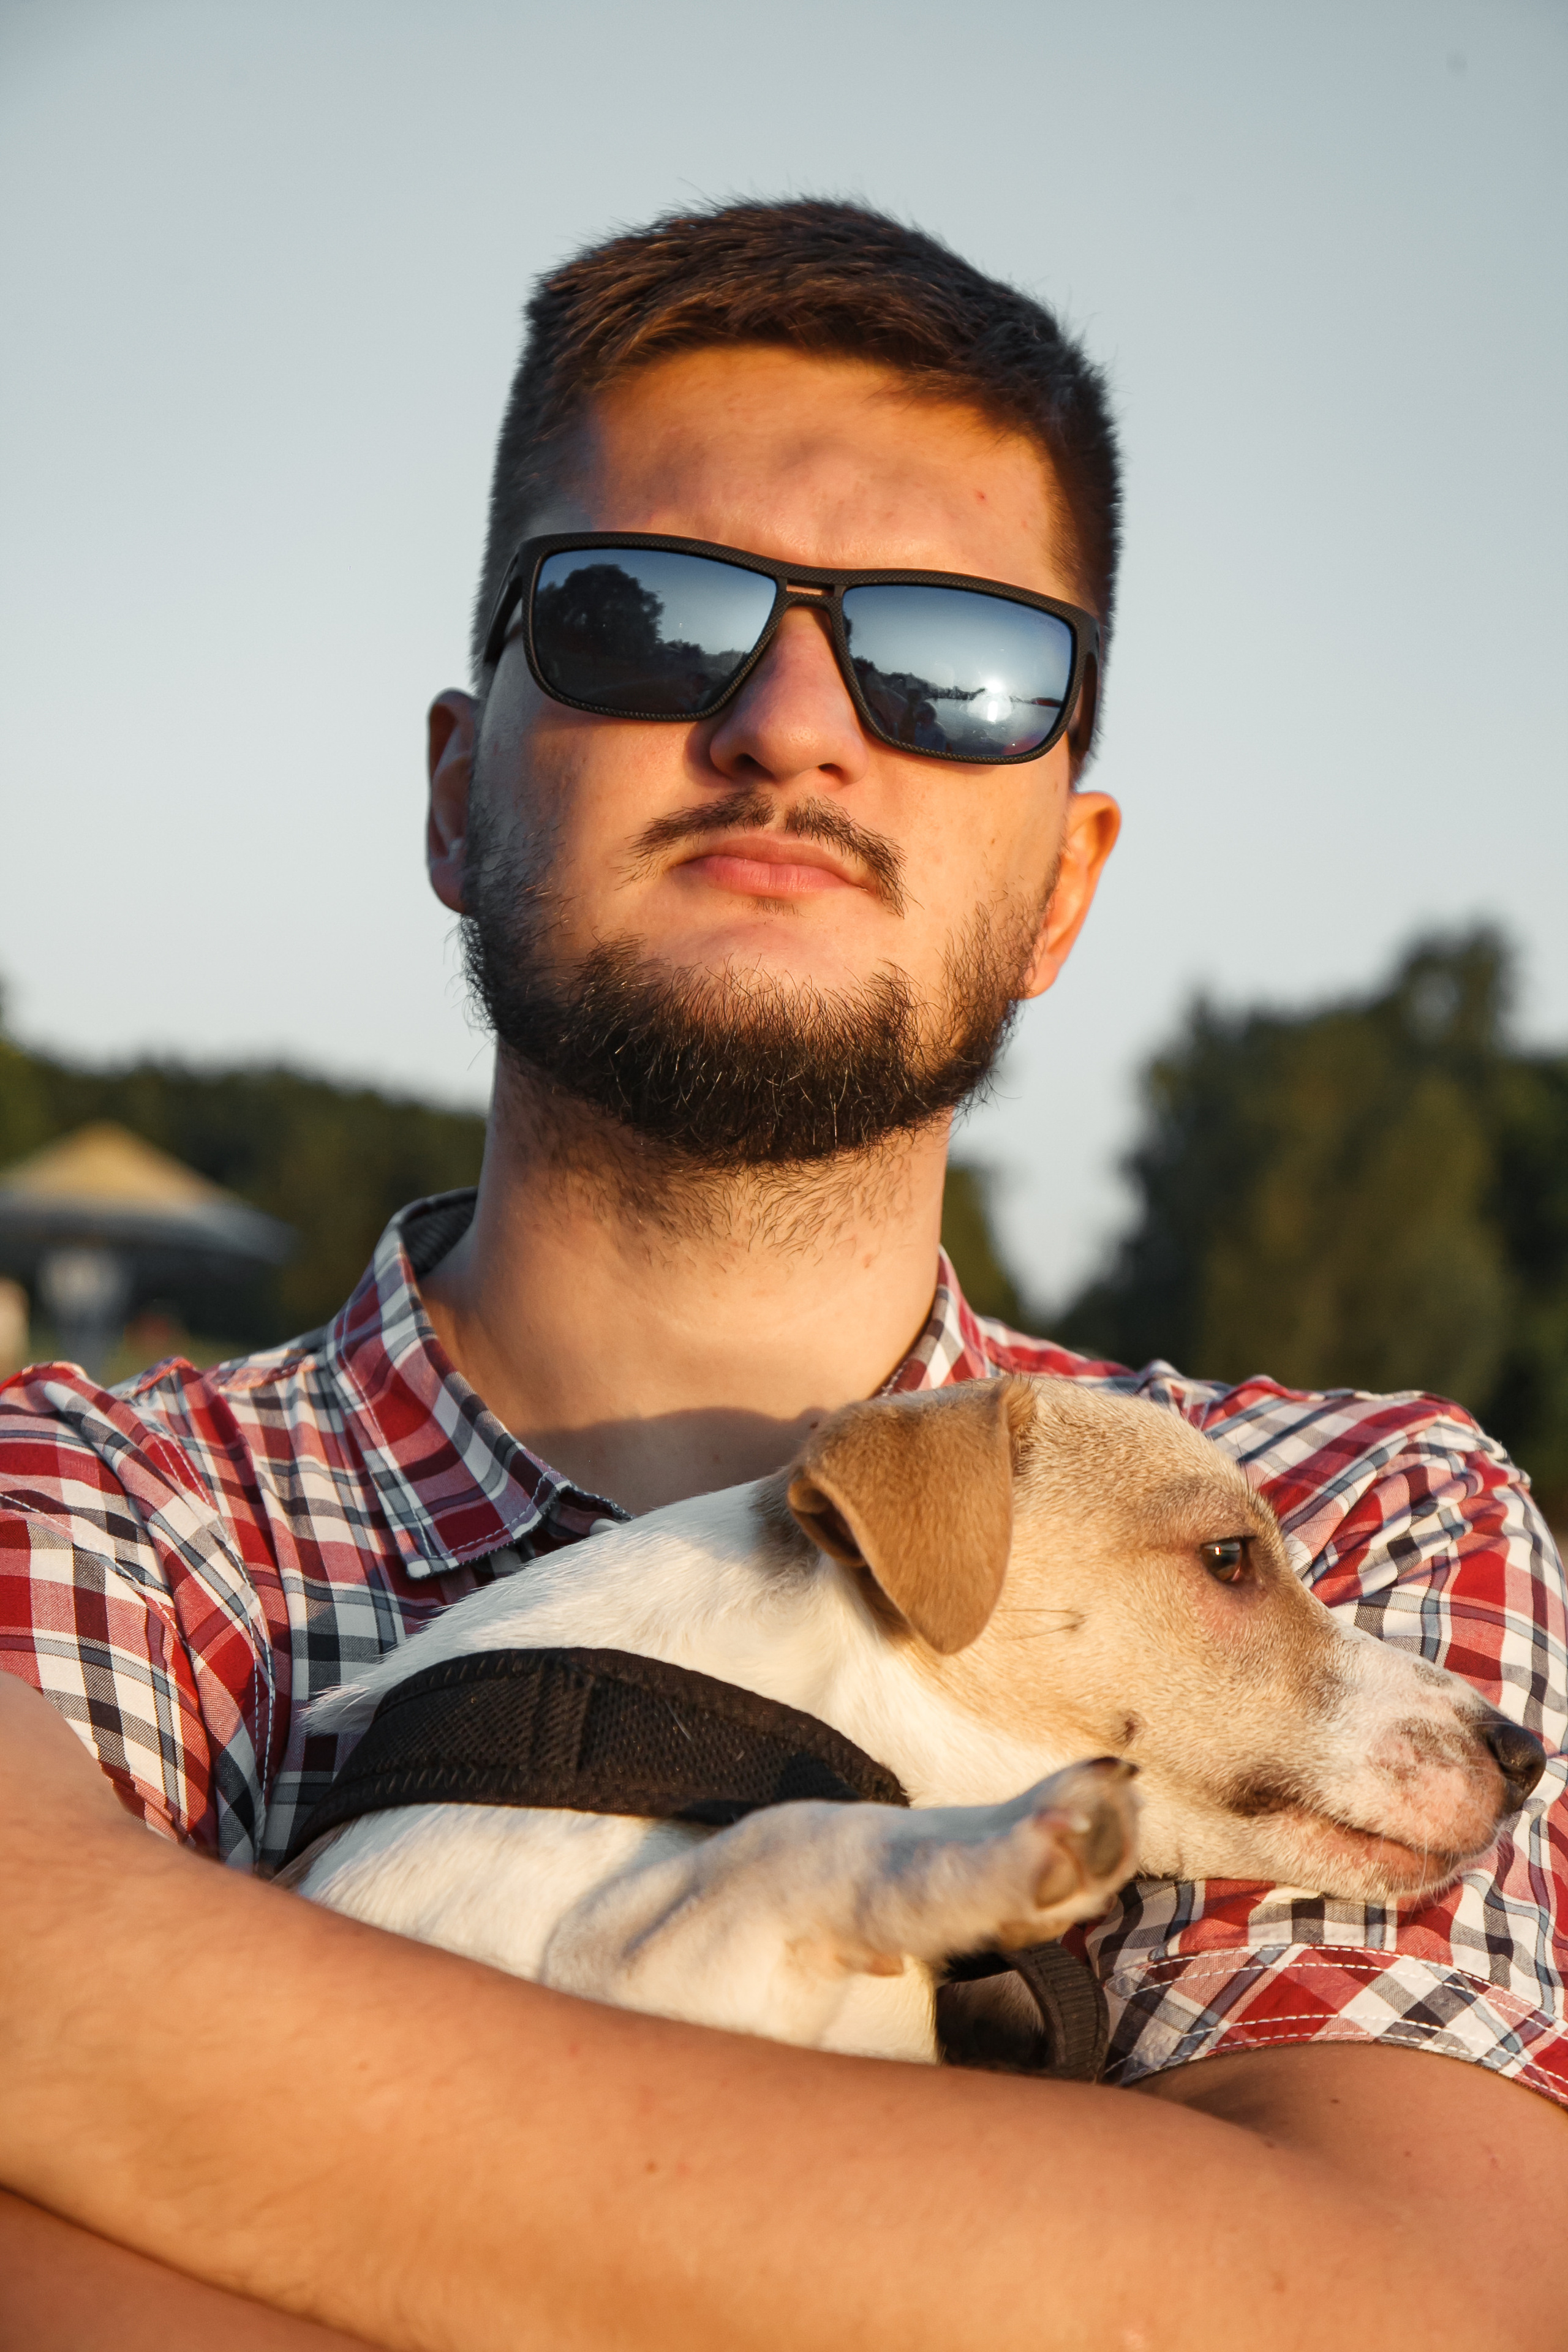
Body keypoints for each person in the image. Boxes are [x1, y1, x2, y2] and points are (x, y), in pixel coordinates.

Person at [0, 198, 1563, 2352]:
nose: (798, 727)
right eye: (644, 618)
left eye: (958, 671)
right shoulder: (86, 1515)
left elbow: (1408, 2301)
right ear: (459, 793)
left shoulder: (1357, 1515)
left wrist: (83, 1974)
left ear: (1065, 889)